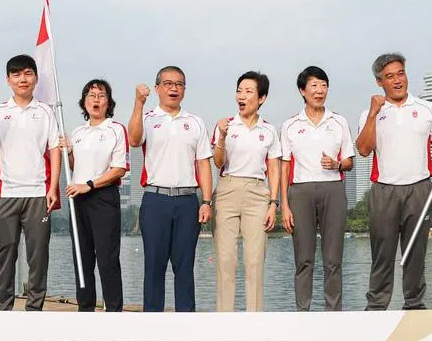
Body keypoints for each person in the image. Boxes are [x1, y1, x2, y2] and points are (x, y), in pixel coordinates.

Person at [356, 52, 432, 310]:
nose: (397, 80)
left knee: (416, 253)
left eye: (400, 73)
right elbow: (363, 149)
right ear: (379, 82)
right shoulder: (370, 114)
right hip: (384, 190)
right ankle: (376, 307)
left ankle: (414, 305)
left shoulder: (427, 109)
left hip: (420, 189)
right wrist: (373, 114)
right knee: (382, 253)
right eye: (389, 76)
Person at [0, 54, 61, 311]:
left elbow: (55, 149)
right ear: (8, 80)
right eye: (16, 75)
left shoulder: (45, 111)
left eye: (28, 74)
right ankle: (3, 311)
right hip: (7, 194)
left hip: (38, 194)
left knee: (38, 258)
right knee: (5, 256)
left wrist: (53, 187)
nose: (22, 79)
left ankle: (34, 310)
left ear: (35, 78)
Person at [128, 65, 213, 312]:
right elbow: (134, 140)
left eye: (179, 84)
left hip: (187, 202)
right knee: (154, 266)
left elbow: (203, 164)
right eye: (168, 83)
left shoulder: (195, 122)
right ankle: (153, 322)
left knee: (184, 266)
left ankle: (185, 322)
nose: (173, 88)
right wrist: (138, 103)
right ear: (157, 88)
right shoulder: (147, 118)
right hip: (156, 201)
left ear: (184, 89)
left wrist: (206, 201)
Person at [279, 66, 355, 311]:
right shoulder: (291, 125)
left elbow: (350, 162)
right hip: (300, 191)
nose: (319, 91)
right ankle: (303, 311)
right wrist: (284, 205)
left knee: (333, 259)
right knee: (304, 259)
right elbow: (284, 167)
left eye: (323, 85)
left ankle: (333, 312)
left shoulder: (339, 121)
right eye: (313, 85)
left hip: (333, 189)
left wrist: (337, 164)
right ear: (302, 90)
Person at [211, 71, 280, 311]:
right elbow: (218, 163)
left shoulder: (269, 131)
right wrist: (221, 135)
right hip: (227, 189)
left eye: (249, 91)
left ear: (261, 98)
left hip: (257, 193)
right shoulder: (226, 126)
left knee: (254, 261)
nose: (242, 96)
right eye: (239, 90)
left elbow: (273, 167)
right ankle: (224, 318)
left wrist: (274, 202)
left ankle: (255, 321)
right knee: (226, 260)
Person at [59, 79, 129, 312]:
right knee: (82, 259)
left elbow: (119, 168)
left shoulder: (115, 129)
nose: (96, 99)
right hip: (78, 199)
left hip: (104, 197)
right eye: (91, 95)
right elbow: (73, 167)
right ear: (84, 101)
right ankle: (85, 309)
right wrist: (68, 151)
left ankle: (113, 311)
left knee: (107, 260)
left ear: (108, 102)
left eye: (101, 95)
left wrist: (90, 184)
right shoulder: (78, 132)